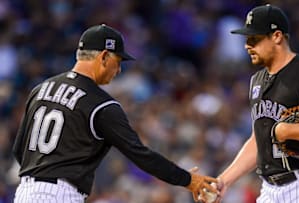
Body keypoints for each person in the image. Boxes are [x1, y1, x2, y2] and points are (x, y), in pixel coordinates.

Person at [12, 24, 217, 203]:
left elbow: (19, 150)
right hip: (60, 194)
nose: (118, 70)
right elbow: (141, 155)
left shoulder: (41, 89)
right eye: (118, 61)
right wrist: (189, 180)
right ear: (104, 56)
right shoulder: (100, 103)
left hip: (24, 192)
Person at [214, 4, 299, 203]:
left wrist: (290, 130)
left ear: (276, 36)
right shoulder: (256, 81)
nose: (247, 45)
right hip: (270, 188)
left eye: (255, 39)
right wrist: (225, 180)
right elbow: (259, 140)